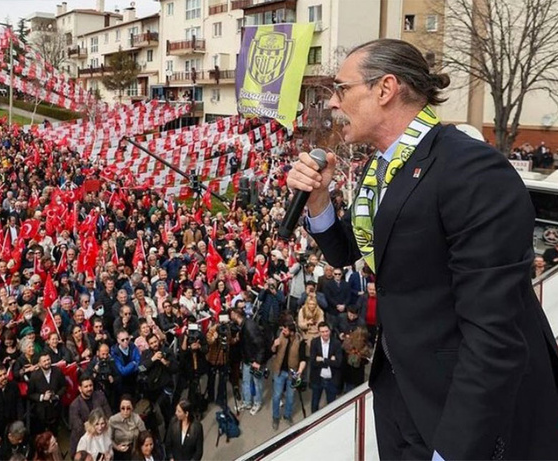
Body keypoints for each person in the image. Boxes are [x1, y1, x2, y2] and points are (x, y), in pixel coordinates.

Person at [288, 37, 558, 459]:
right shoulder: (382, 168)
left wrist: (453, 451)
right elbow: (348, 253)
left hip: (461, 412)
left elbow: (493, 335)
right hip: (403, 396)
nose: (334, 103)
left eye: (342, 88)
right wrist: (319, 200)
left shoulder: (470, 169)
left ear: (385, 88)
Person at [269, 323, 307, 430]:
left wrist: (300, 371)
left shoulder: (300, 341)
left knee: (290, 397)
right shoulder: (280, 336)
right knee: (277, 396)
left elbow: (303, 359)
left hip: (292, 373)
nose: (283, 332)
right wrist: (274, 345)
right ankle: (275, 417)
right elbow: (272, 351)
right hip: (279, 371)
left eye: (285, 330)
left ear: (292, 332)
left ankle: (287, 415)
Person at [229, 307, 264, 415]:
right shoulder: (243, 326)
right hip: (246, 359)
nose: (230, 316)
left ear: (236, 314)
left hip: (254, 360)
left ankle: (257, 403)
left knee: (257, 383)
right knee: (246, 381)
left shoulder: (249, 326)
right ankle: (247, 402)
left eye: (231, 314)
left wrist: (258, 361)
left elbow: (260, 344)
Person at [68, 375, 111, 457]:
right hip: (84, 441)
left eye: (91, 385)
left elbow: (108, 415)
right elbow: (79, 427)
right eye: (86, 386)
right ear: (80, 388)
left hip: (101, 435)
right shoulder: (74, 405)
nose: (89, 388)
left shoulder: (100, 396)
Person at [107, 394, 145, 460]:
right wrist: (117, 447)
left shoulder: (137, 419)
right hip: (118, 451)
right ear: (119, 408)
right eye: (123, 408)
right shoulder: (113, 420)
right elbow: (108, 438)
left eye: (128, 408)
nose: (125, 411)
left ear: (132, 408)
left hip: (134, 450)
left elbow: (144, 435)